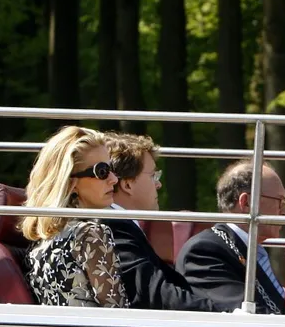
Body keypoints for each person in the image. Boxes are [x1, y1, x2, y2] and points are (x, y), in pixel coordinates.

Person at [102, 132, 216, 311]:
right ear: (127, 185)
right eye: (152, 176)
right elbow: (155, 294)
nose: (158, 184)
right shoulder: (114, 226)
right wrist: (221, 314)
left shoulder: (120, 224)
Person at [23, 126, 127, 307]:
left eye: (111, 168)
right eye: (102, 171)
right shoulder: (91, 234)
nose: (114, 179)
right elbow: (116, 311)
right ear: (70, 182)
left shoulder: (42, 241)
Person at [175, 160, 285, 314]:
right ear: (246, 203)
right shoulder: (204, 251)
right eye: (280, 202)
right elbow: (248, 315)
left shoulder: (251, 250)